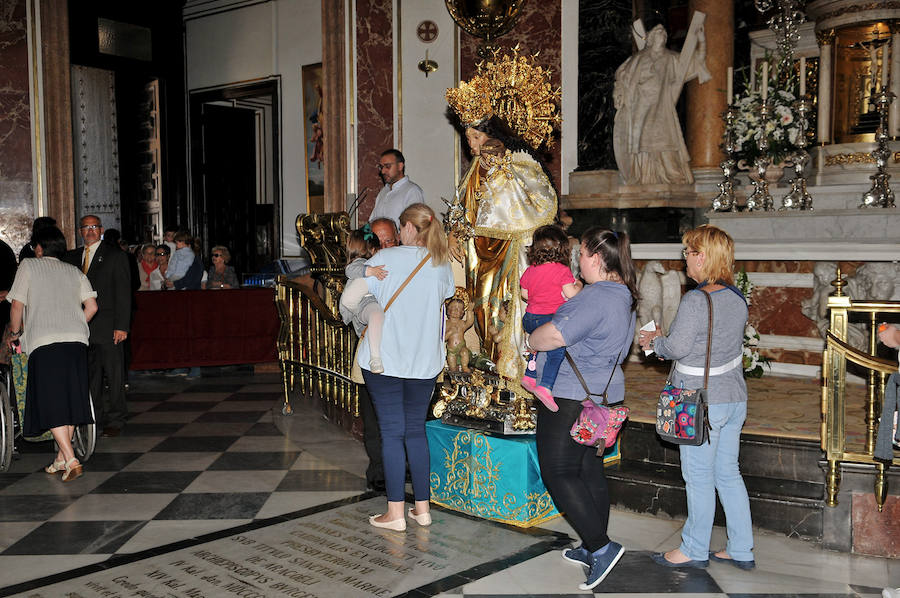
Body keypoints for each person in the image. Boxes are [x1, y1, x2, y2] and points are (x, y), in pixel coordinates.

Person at [526, 227, 638, 591]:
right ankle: (592, 545)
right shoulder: (623, 295)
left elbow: (555, 335)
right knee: (588, 468)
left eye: (583, 254)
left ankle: (602, 547)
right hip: (604, 393)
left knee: (558, 472)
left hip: (572, 396)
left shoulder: (595, 297)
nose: (578, 260)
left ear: (597, 259)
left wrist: (532, 337)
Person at [638, 224, 754, 570]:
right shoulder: (735, 297)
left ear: (702, 257)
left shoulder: (695, 299)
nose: (685, 258)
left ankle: (693, 547)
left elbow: (678, 348)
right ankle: (741, 548)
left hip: (702, 402)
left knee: (700, 476)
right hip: (733, 398)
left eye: (688, 252)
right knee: (728, 473)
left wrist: (654, 343)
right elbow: (712, 344)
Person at [445, 51, 560, 386]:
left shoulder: (520, 161)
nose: (472, 144)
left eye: (476, 137)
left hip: (510, 254)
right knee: (480, 314)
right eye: (467, 138)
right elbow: (460, 208)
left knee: (503, 315)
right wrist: (454, 234)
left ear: (493, 133)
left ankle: (512, 377)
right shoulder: (474, 171)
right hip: (479, 256)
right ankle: (486, 369)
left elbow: (538, 203)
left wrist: (502, 170)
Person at [359, 203, 454, 531]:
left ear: (411, 228)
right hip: (423, 362)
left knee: (391, 432)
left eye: (401, 227)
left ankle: (396, 513)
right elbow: (446, 295)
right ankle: (422, 510)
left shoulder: (384, 258)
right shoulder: (441, 263)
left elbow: (358, 286)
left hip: (384, 359)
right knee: (415, 431)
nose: (398, 234)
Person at [7, 226, 98, 481]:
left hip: (45, 341)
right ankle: (60, 458)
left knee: (51, 400)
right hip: (77, 340)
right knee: (69, 399)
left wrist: (15, 333)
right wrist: (75, 323)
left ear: (38, 248)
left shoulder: (28, 266)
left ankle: (70, 459)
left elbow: (16, 304)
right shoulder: (73, 271)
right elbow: (92, 306)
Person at [613, 22, 709, 186]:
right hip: (640, 107)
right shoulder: (636, 59)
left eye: (664, 33)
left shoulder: (671, 58)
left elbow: (697, 61)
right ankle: (644, 178)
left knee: (666, 140)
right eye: (658, 32)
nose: (662, 34)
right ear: (649, 38)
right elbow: (622, 79)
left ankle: (670, 176)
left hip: (662, 107)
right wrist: (619, 94)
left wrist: (701, 41)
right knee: (641, 143)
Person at [64, 215, 132, 437]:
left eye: (95, 227)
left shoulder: (115, 256)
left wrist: (122, 326)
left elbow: (123, 293)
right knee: (89, 375)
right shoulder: (73, 257)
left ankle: (116, 419)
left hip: (109, 325)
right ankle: (94, 418)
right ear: (80, 231)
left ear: (101, 230)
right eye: (86, 227)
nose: (91, 231)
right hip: (81, 327)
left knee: (113, 375)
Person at [520, 224, 582, 411]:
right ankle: (545, 386)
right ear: (562, 248)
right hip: (550, 319)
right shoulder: (562, 270)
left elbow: (525, 294)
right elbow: (571, 294)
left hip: (530, 319)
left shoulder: (531, 270)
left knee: (538, 346)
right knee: (556, 351)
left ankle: (530, 375)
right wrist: (579, 285)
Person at [339, 225, 387, 373]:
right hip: (363, 303)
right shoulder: (361, 264)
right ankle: (375, 358)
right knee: (376, 314)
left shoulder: (369, 262)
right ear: (372, 250)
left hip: (369, 302)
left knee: (377, 318)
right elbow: (349, 270)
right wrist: (369, 271)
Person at [368, 149, 425, 229]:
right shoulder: (383, 191)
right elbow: (372, 221)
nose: (383, 171)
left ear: (400, 166)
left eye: (387, 166)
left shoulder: (412, 191)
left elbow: (415, 226)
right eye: (381, 167)